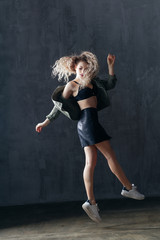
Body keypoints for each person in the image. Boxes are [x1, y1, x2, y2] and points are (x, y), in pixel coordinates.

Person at [35, 51, 145, 223]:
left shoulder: (93, 82)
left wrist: (110, 66)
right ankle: (128, 187)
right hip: (88, 123)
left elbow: (111, 83)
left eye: (86, 69)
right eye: (80, 69)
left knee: (90, 163)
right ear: (74, 68)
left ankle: (91, 202)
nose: (83, 72)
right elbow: (58, 106)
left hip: (88, 124)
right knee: (110, 156)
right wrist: (45, 122)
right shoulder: (72, 85)